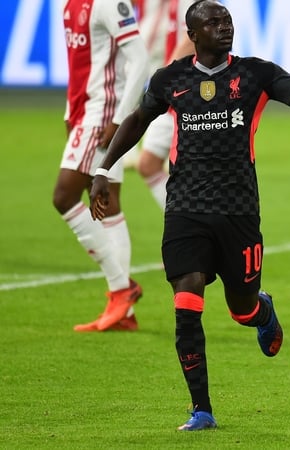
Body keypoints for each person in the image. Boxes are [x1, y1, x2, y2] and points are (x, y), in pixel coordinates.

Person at [88, 0, 290, 431]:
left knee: (240, 308)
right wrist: (103, 168)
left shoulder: (255, 75)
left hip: (239, 212)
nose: (224, 27)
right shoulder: (171, 79)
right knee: (186, 303)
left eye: (227, 20)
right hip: (186, 212)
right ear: (193, 33)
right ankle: (201, 409)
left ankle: (261, 312)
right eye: (213, 22)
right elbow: (136, 120)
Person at [59, 0, 149, 332]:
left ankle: (122, 287)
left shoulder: (111, 3)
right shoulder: (70, 5)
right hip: (84, 112)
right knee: (107, 202)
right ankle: (122, 312)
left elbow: (140, 59)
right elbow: (78, 65)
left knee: (63, 197)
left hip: (103, 114)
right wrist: (69, 113)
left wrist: (119, 117)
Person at [127, 0, 197, 209]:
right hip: (174, 92)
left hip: (191, 92)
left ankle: (202, 228)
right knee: (148, 164)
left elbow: (194, 35)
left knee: (199, 173)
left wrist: (166, 74)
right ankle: (189, 223)